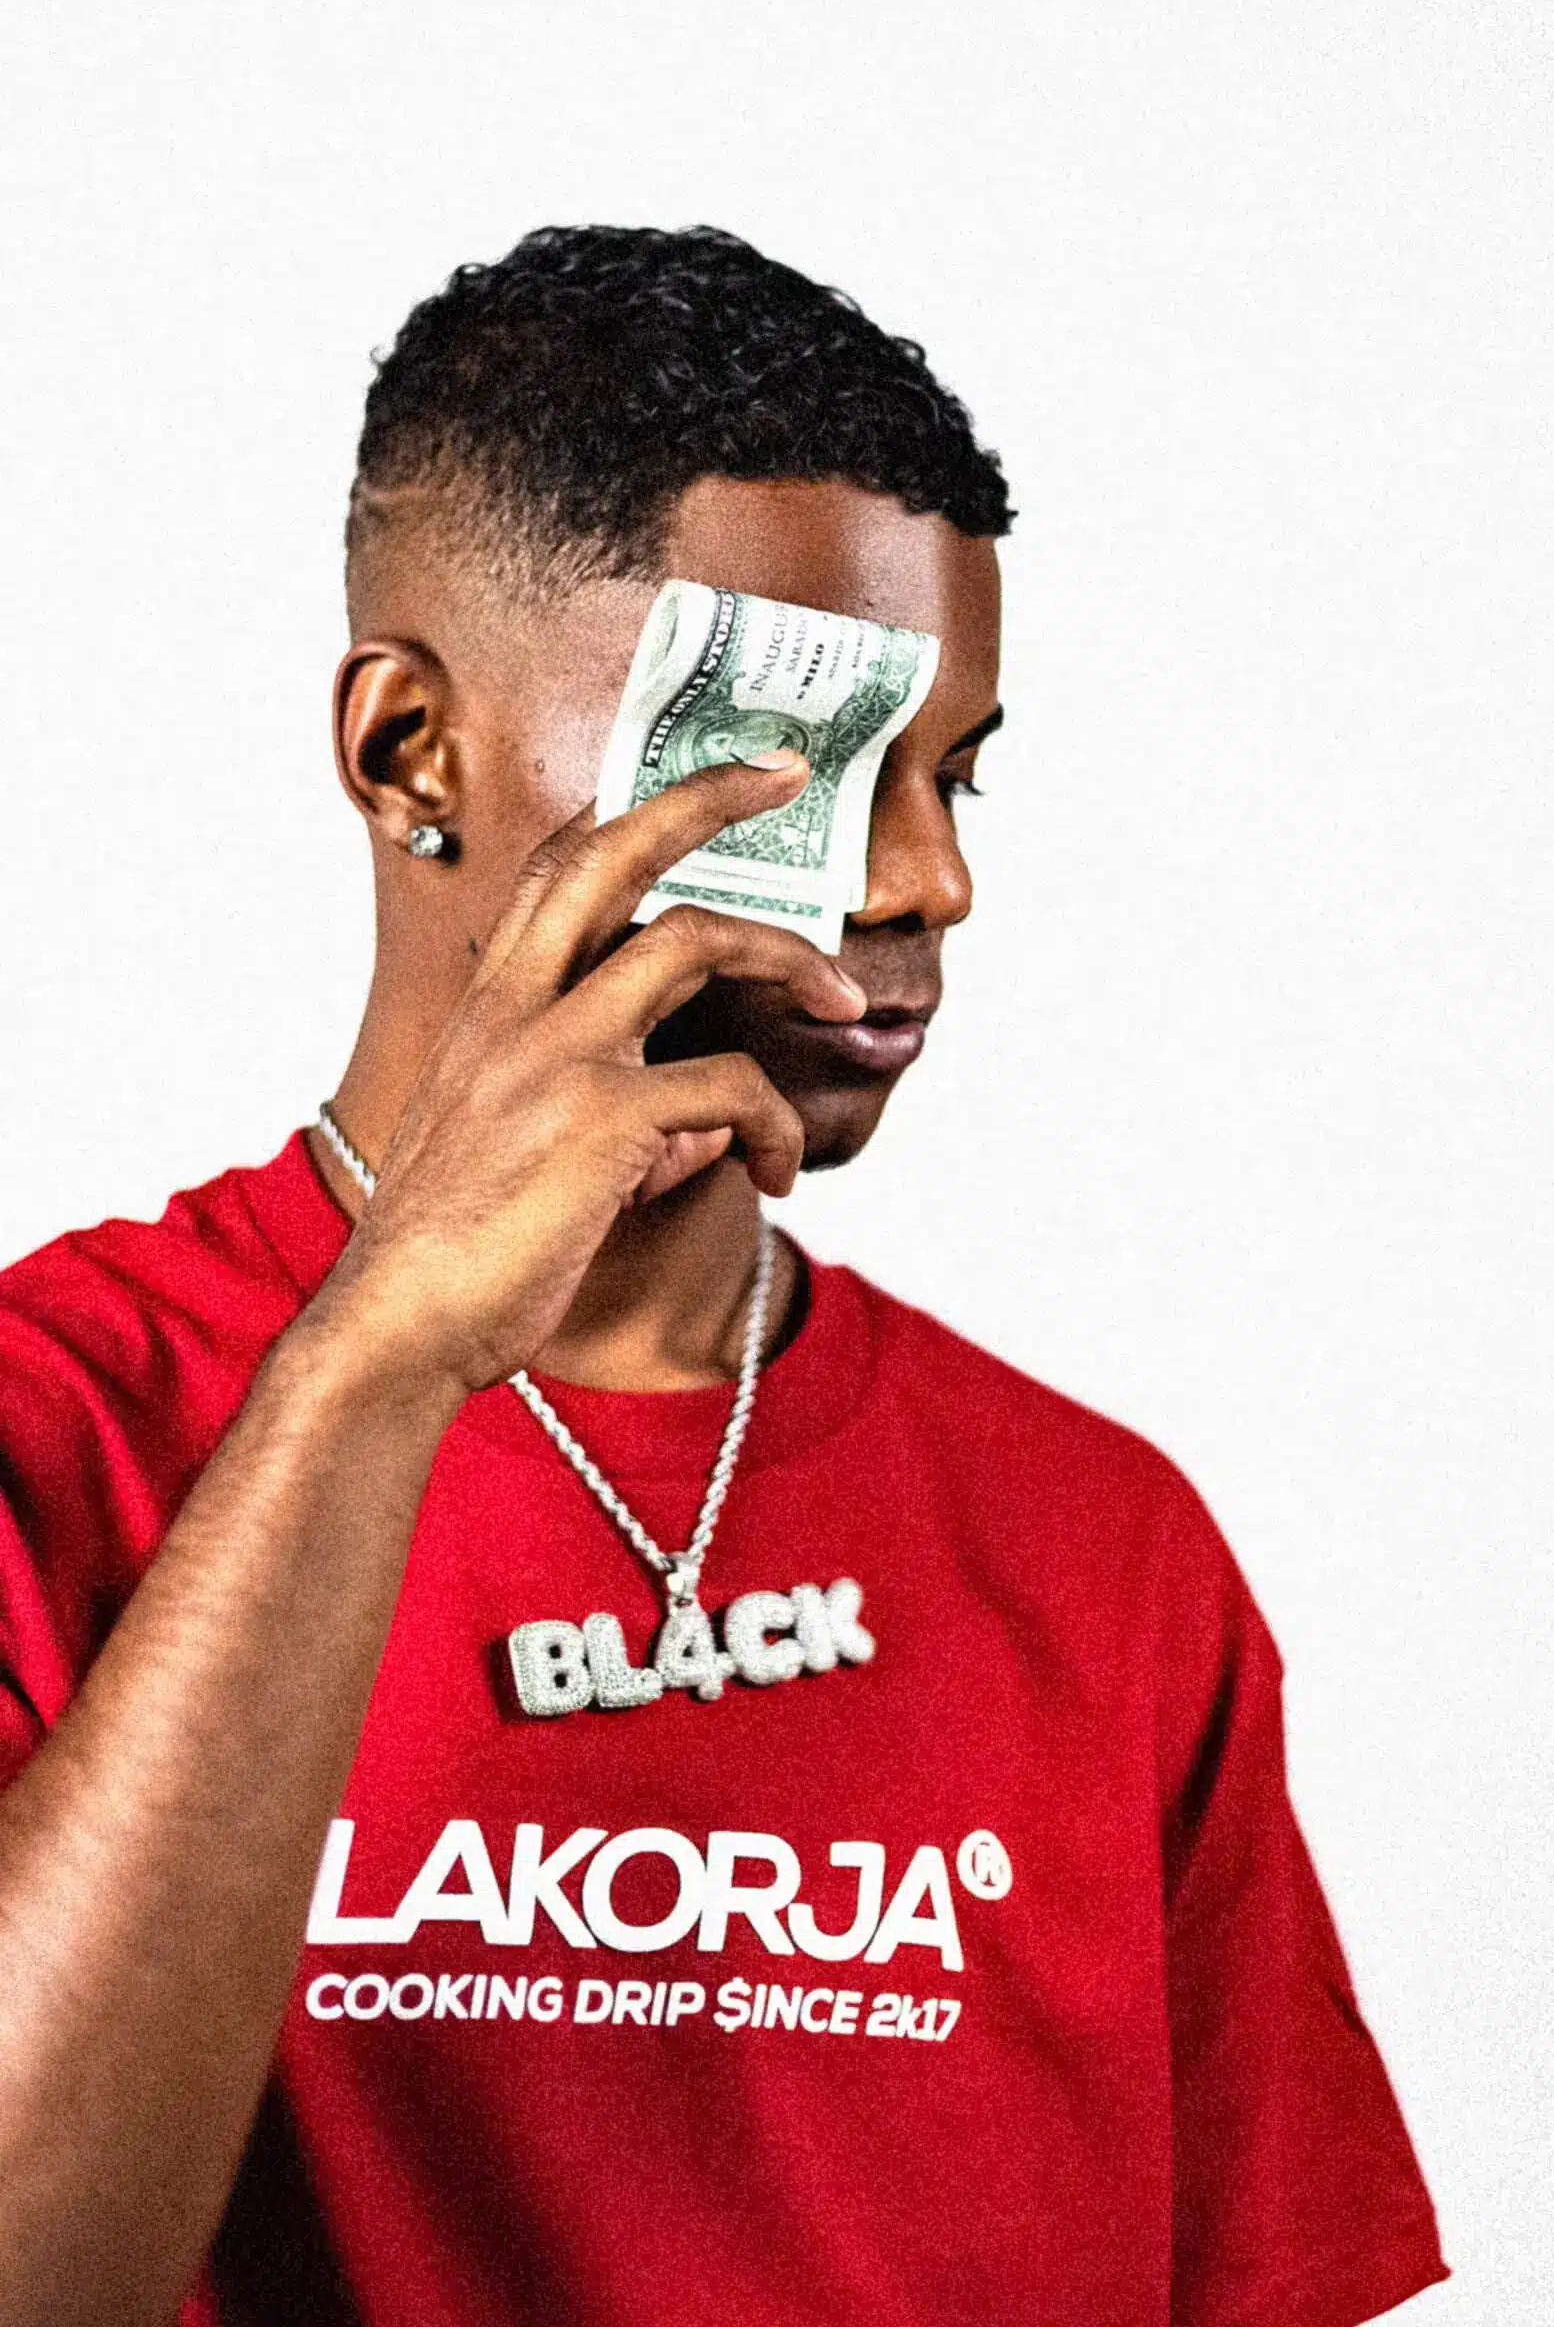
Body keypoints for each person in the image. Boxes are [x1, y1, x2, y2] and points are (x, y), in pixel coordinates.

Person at [0, 226, 1450, 2327]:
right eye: (808, 764)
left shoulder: (1099, 1546)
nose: (928, 876)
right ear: (412, 751)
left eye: (954, 770)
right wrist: (381, 1358)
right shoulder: (52, 1434)